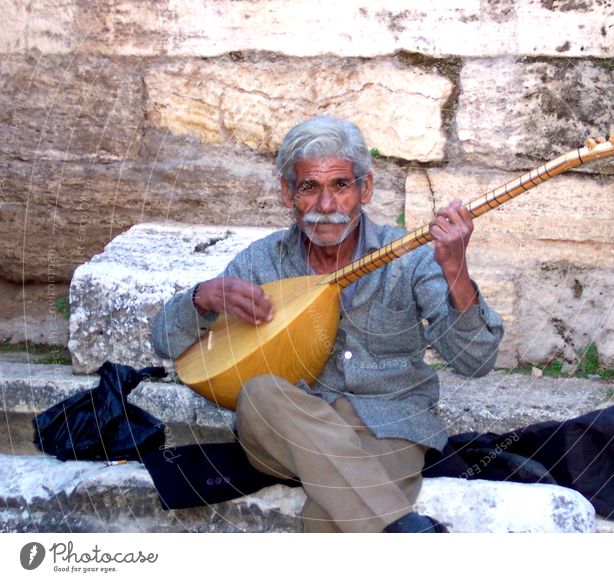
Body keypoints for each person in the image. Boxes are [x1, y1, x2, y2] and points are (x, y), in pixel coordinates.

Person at [150, 116, 504, 533]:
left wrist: (456, 272)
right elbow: (164, 342)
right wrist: (199, 300)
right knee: (260, 391)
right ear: (287, 193)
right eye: (309, 187)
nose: (326, 206)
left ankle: (407, 535)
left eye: (341, 186)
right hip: (287, 428)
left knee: (328, 520)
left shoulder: (409, 256)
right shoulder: (262, 262)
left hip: (388, 425)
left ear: (365, 189)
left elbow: (475, 361)